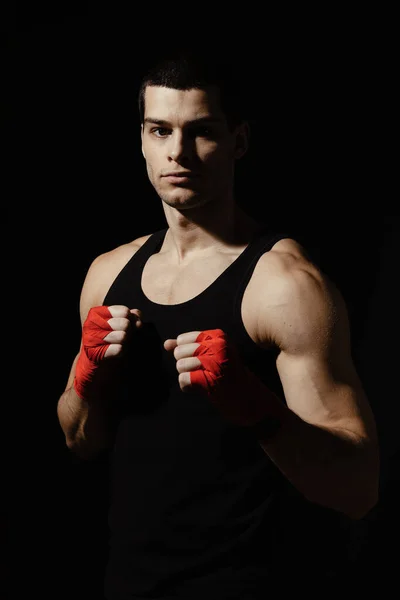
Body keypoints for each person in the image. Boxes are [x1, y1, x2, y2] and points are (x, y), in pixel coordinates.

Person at [56, 50, 380, 599]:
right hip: (129, 583)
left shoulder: (285, 286)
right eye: (160, 130)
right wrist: (89, 377)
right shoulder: (107, 274)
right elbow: (79, 440)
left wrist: (256, 408)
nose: (178, 152)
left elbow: (357, 489)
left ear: (240, 142)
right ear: (141, 138)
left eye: (201, 131)